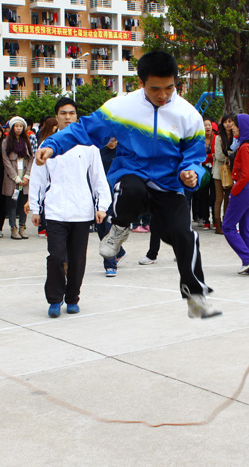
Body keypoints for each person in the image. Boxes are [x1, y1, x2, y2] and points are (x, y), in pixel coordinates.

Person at [35, 50, 221, 319]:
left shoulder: (188, 115)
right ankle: (120, 227)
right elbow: (84, 129)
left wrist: (190, 172)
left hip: (168, 185)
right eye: (155, 89)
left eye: (169, 88)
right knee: (130, 189)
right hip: (131, 175)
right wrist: (52, 145)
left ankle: (197, 299)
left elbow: (193, 156)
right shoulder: (121, 108)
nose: (163, 95)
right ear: (141, 83)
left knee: (185, 235)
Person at [29, 97, 112, 317]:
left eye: (72, 113)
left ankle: (73, 298)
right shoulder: (48, 145)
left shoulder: (89, 146)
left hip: (81, 211)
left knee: (77, 259)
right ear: (56, 117)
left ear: (77, 117)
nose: (67, 117)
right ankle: (55, 299)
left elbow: (98, 178)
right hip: (55, 210)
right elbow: (38, 178)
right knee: (56, 256)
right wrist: (36, 208)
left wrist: (102, 206)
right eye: (63, 113)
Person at [222, 114, 249, 275]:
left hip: (244, 189)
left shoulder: (245, 147)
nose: (233, 127)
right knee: (245, 228)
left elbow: (244, 175)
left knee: (228, 226)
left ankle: (248, 258)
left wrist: (234, 191)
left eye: (236, 125)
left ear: (243, 127)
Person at [97, 136, 127, 277]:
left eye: (115, 140)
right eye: (110, 140)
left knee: (108, 228)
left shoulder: (122, 152)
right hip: (100, 194)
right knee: (100, 229)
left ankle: (110, 265)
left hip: (115, 196)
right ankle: (119, 251)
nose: (112, 142)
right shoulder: (98, 151)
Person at [1, 116, 33, 240]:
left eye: (21, 126)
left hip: (24, 177)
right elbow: (6, 160)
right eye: (16, 126)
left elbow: (31, 159)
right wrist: (15, 177)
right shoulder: (6, 141)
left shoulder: (26, 141)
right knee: (12, 204)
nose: (19, 128)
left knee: (24, 204)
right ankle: (13, 228)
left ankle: (22, 227)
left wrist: (27, 176)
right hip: (12, 178)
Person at [212, 114, 235, 235]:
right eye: (226, 122)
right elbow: (219, 156)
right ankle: (217, 224)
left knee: (228, 198)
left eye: (230, 121)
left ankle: (226, 222)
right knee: (219, 198)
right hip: (219, 171)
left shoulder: (236, 137)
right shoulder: (219, 138)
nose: (228, 124)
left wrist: (230, 155)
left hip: (231, 171)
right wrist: (232, 155)